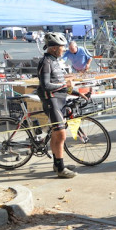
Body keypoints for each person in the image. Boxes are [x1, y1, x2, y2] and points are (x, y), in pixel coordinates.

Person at [37, 32, 77, 178]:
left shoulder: (53, 60)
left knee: (56, 134)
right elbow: (46, 85)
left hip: (59, 100)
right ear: (54, 48)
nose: (64, 49)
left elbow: (60, 83)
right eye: (62, 47)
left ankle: (57, 163)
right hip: (51, 101)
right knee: (61, 134)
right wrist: (64, 84)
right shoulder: (45, 62)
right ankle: (60, 169)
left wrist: (78, 93)